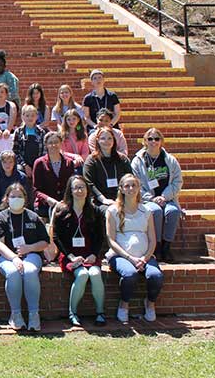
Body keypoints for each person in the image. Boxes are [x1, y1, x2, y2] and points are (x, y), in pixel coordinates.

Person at [105, 174, 163, 322]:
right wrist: (130, 258)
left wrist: (145, 258)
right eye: (127, 186)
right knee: (130, 274)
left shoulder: (146, 211)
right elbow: (111, 240)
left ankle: (150, 304)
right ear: (121, 189)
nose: (131, 188)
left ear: (139, 188)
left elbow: (152, 239)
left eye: (134, 185)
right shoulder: (112, 211)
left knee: (156, 276)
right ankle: (124, 304)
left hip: (145, 256)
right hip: (120, 256)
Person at [0, 183, 48, 331]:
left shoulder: (32, 216)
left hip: (32, 255)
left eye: (19, 196)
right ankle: (16, 314)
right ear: (7, 198)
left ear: (25, 198)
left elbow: (45, 242)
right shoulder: (1, 217)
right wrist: (14, 258)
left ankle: (34, 314)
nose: (16, 199)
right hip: (6, 257)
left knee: (29, 272)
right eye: (13, 196)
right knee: (14, 272)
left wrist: (29, 248)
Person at [51, 176, 106, 327]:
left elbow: (101, 236)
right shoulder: (62, 212)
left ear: (87, 190)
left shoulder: (95, 211)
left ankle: (100, 312)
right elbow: (56, 237)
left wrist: (94, 254)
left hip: (90, 254)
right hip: (69, 255)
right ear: (70, 191)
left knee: (95, 273)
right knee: (82, 275)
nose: (79, 190)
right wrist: (70, 256)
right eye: (75, 187)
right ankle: (72, 313)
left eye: (82, 187)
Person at [130, 128, 182, 262]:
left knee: (173, 211)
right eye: (150, 139)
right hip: (147, 200)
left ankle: (166, 246)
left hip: (168, 198)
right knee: (155, 211)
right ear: (145, 141)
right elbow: (135, 183)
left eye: (157, 139)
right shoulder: (138, 161)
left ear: (161, 141)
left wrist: (164, 197)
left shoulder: (170, 160)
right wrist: (152, 198)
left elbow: (177, 181)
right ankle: (156, 246)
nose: (153, 141)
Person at [33, 132, 82, 220]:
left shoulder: (69, 162)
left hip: (65, 203)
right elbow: (36, 190)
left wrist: (66, 201)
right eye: (50, 143)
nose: (53, 145)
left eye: (56, 142)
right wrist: (48, 200)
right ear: (46, 145)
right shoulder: (39, 163)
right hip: (46, 205)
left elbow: (71, 185)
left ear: (61, 143)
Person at [84, 127, 132, 207]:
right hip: (101, 201)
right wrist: (103, 199)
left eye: (109, 138)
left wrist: (122, 198)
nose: (106, 141)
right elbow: (89, 183)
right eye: (103, 138)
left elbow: (130, 178)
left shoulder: (122, 159)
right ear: (98, 141)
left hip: (123, 198)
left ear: (114, 140)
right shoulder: (91, 160)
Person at [12, 104, 46, 179]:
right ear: (23, 117)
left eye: (32, 115)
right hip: (23, 164)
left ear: (36, 117)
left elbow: (44, 151)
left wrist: (37, 165)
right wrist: (25, 165)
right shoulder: (19, 132)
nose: (30, 118)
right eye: (27, 115)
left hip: (38, 163)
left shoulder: (41, 132)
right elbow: (15, 151)